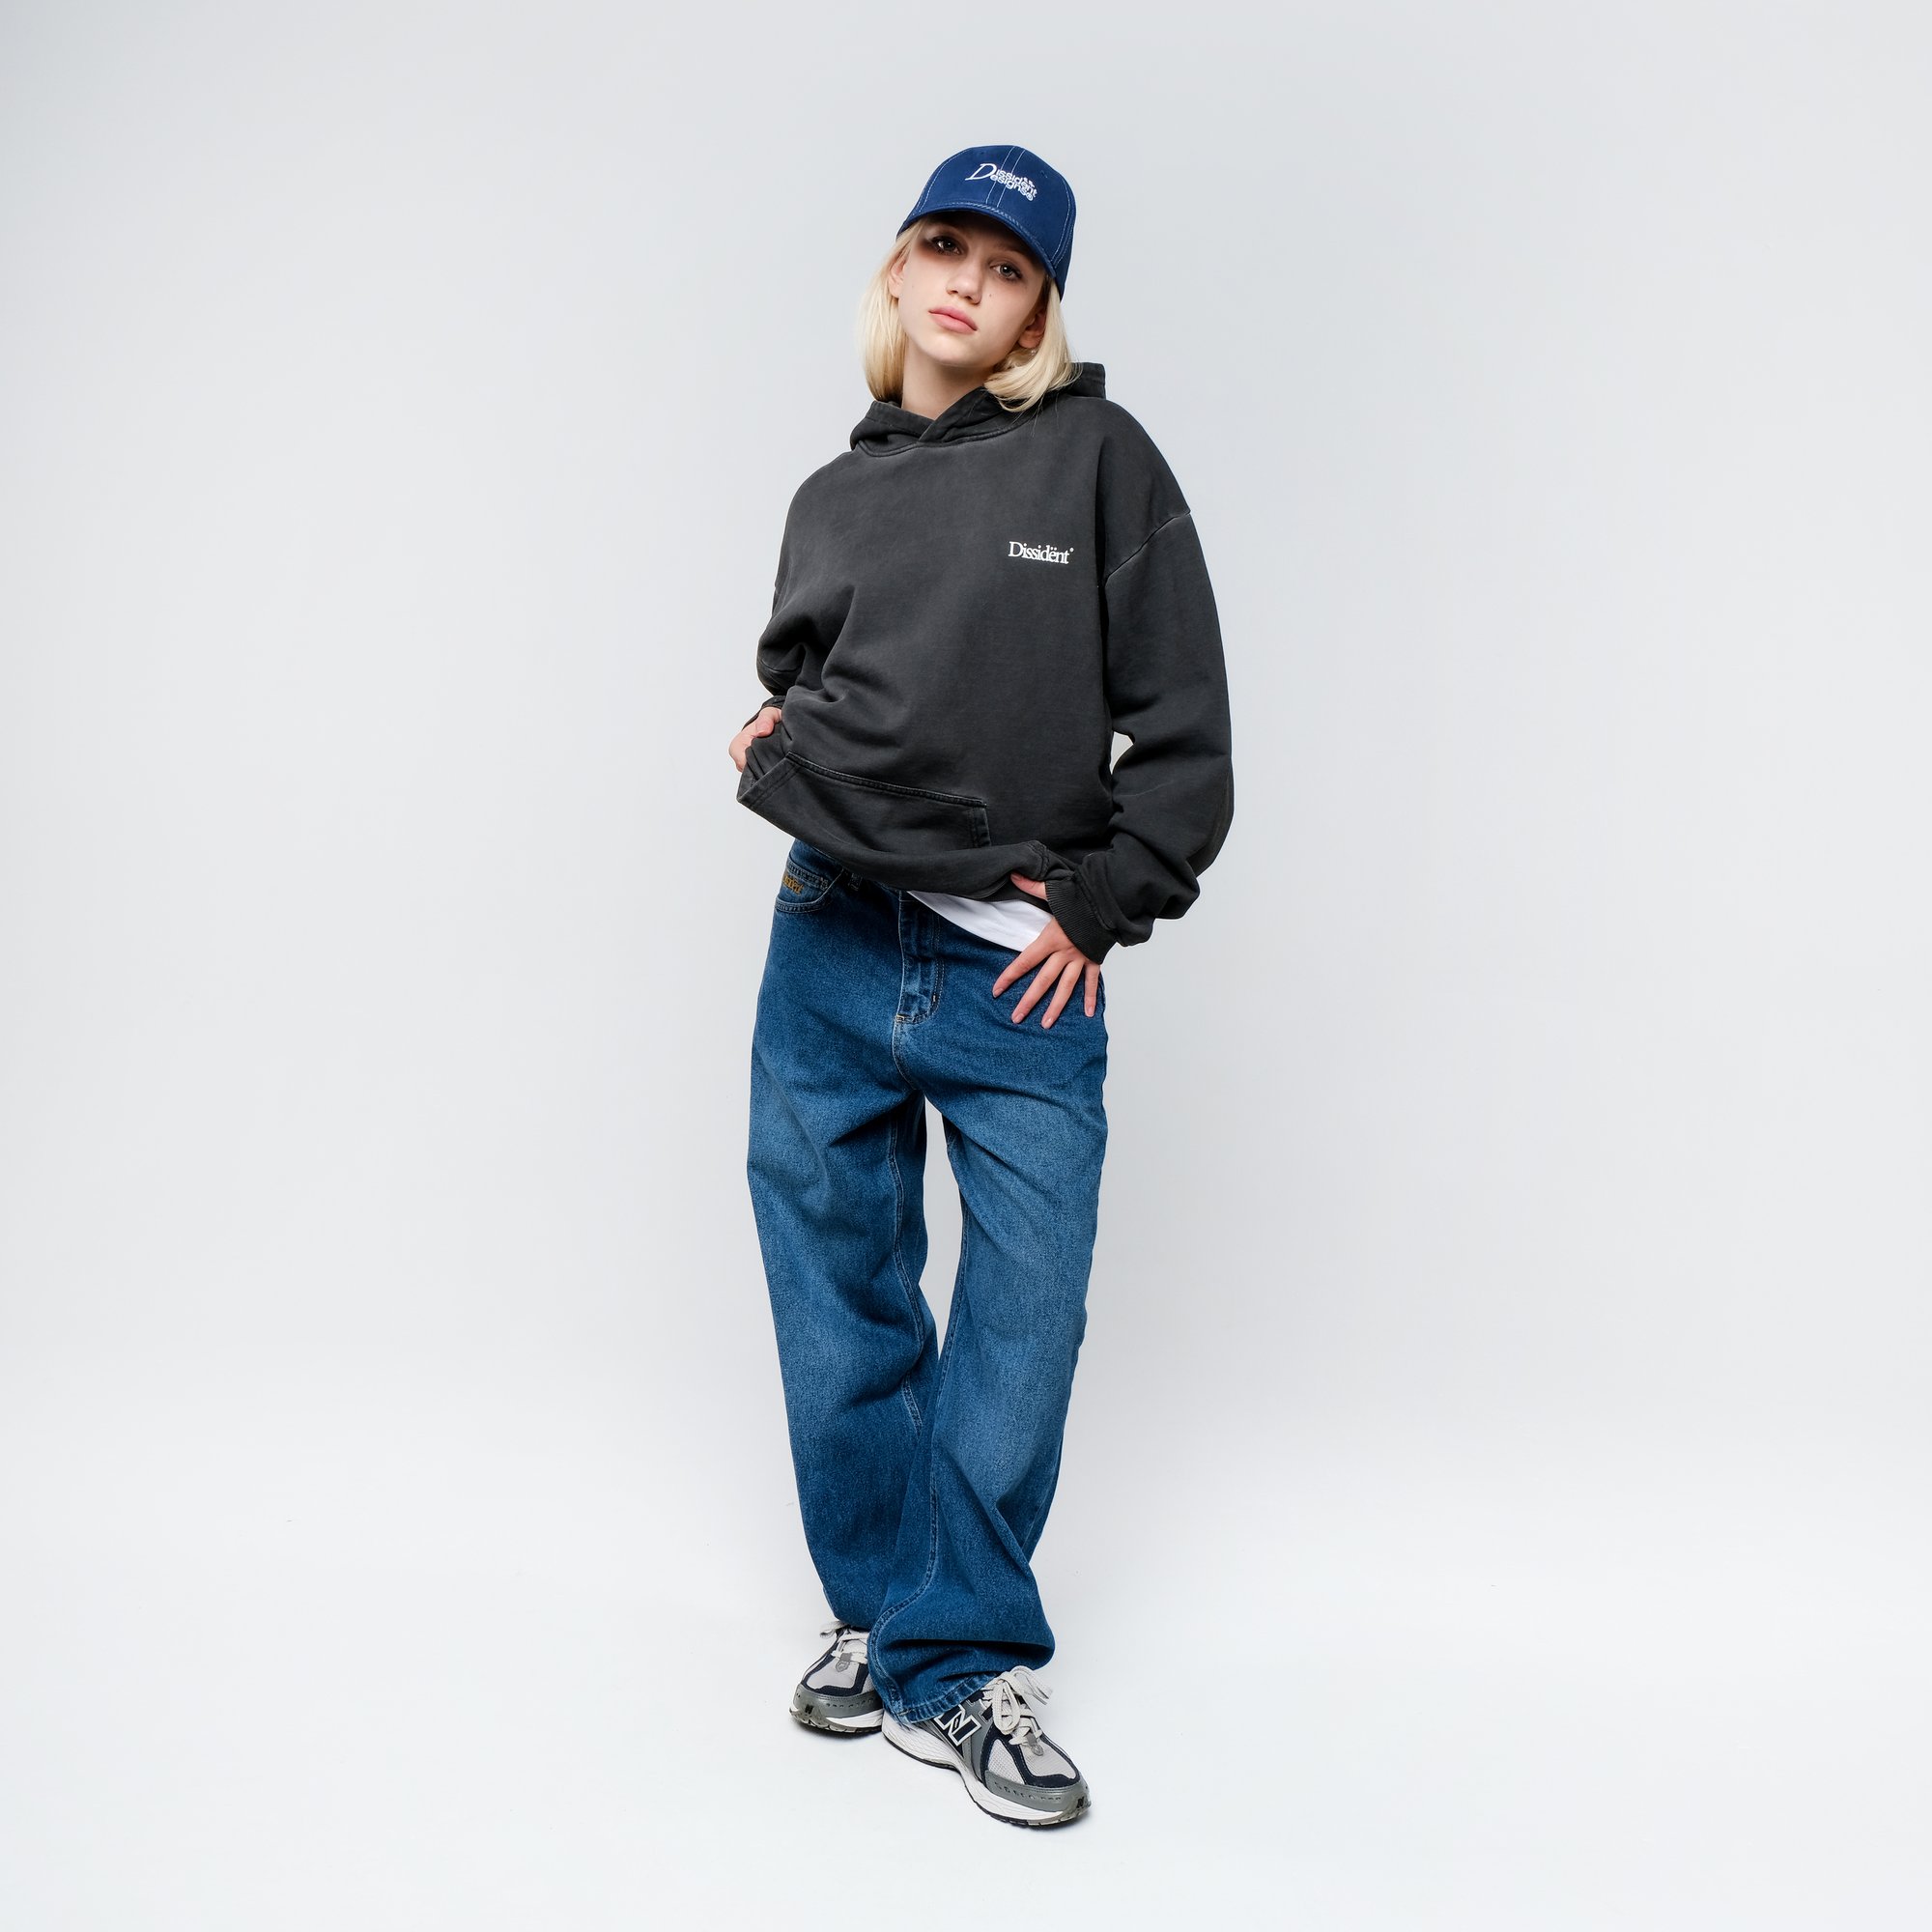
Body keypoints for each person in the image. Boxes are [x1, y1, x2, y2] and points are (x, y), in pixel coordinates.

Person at [727, 144, 1234, 1828]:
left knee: (1022, 1319)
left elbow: (1185, 725)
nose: (969, 282)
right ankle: (891, 1618)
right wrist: (774, 746)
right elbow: (816, 686)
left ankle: (958, 1661)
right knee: (840, 1297)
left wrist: (1103, 902)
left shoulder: (1099, 458)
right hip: (826, 936)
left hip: (1018, 980)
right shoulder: (833, 492)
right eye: (945, 247)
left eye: (1009, 268)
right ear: (898, 270)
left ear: (1038, 310)